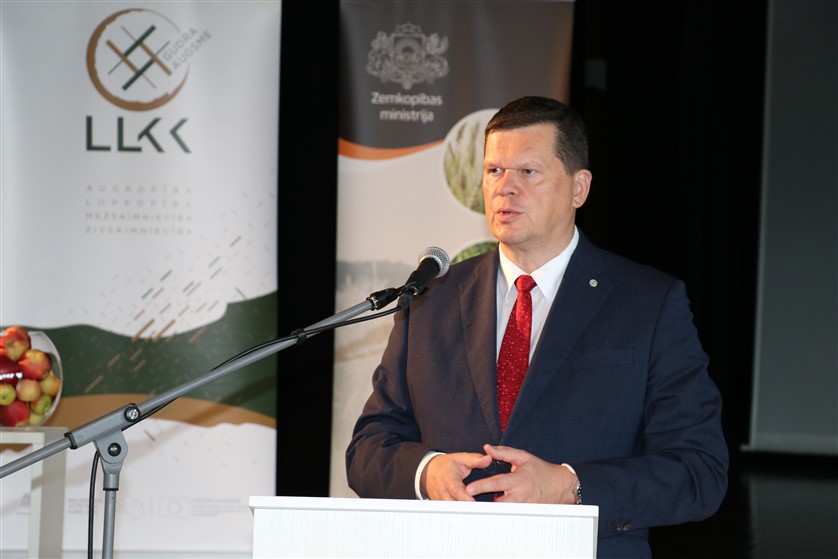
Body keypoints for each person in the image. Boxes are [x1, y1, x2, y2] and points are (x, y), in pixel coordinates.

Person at [345, 95, 728, 558]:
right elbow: (367, 449)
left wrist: (570, 486)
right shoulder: (430, 299)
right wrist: (427, 472)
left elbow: (699, 471)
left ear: (579, 188)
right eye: (494, 171)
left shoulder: (647, 304)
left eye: (528, 171)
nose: (505, 188)